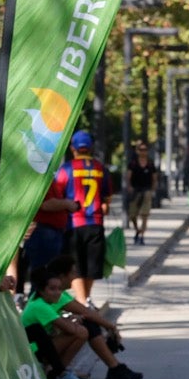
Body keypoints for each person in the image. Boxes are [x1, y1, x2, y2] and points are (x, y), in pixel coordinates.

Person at [21, 263, 142, 379]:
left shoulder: (50, 296)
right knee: (83, 329)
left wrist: (70, 318)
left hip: (42, 345)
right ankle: (59, 373)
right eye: (73, 272)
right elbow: (86, 314)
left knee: (85, 326)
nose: (76, 277)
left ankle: (61, 371)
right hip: (34, 351)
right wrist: (110, 327)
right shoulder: (45, 302)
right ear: (62, 276)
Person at [50, 130, 111, 304]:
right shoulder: (100, 168)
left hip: (73, 223)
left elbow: (58, 192)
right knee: (92, 264)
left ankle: (82, 299)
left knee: (74, 263)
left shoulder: (67, 169)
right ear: (91, 148)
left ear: (73, 148)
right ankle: (87, 298)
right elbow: (107, 198)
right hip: (95, 222)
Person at [127, 143, 159, 247]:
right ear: (138, 151)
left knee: (144, 215)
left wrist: (153, 188)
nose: (143, 151)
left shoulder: (150, 163)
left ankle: (141, 236)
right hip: (135, 190)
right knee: (132, 214)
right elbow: (128, 175)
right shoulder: (133, 163)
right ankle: (137, 230)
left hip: (147, 190)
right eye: (141, 149)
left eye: (145, 149)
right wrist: (129, 186)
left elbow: (154, 177)